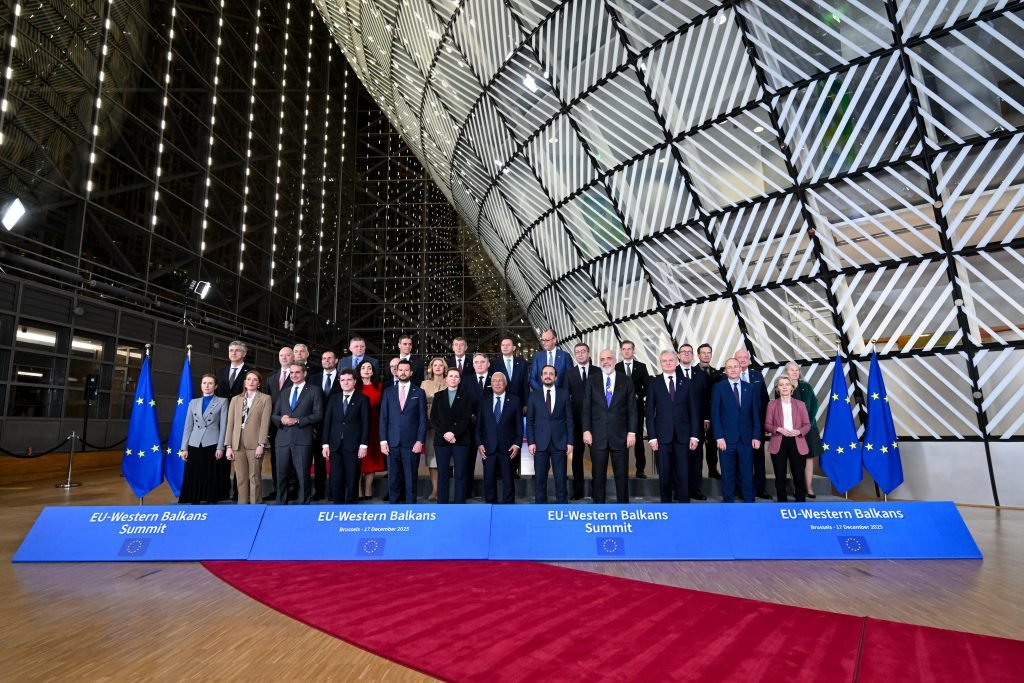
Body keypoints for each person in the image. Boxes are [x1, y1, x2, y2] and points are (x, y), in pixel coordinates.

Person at [582, 349, 637, 504]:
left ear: (615, 360)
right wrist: (586, 430)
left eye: (609, 358)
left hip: (620, 436)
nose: (606, 361)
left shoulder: (625, 380)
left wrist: (632, 432)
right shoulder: (592, 380)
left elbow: (632, 409)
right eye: (602, 359)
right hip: (597, 436)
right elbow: (586, 408)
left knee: (622, 475)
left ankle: (623, 506)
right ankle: (598, 507)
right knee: (598, 475)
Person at [646, 351, 700, 503]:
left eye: (671, 360)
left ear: (677, 361)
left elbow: (694, 412)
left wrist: (694, 435)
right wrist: (652, 437)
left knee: (683, 473)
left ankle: (684, 506)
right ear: (660, 363)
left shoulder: (687, 383)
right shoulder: (654, 384)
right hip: (662, 438)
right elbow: (649, 413)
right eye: (664, 361)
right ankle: (666, 506)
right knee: (664, 474)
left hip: (683, 436)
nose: (668, 363)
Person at [271, 363, 324, 505]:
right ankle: (281, 504)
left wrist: (298, 420)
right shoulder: (284, 392)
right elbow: (274, 415)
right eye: (292, 373)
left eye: (297, 372)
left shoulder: (314, 391)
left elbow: (318, 414)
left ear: (304, 373)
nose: (294, 375)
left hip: (303, 438)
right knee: (281, 474)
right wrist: (281, 419)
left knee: (303, 476)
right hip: (282, 438)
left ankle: (303, 505)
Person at [711, 358, 762, 503]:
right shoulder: (718, 388)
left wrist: (756, 436)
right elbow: (715, 415)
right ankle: (728, 503)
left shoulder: (750, 387)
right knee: (728, 474)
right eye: (729, 367)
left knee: (747, 473)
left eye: (735, 367)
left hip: (747, 439)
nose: (733, 369)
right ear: (725, 371)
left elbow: (755, 414)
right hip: (726, 440)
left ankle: (749, 502)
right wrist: (719, 437)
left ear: (740, 368)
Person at [379, 359, 427, 504]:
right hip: (392, 442)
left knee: (411, 477)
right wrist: (383, 441)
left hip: (412, 443)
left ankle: (411, 506)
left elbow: (422, 419)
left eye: (406, 370)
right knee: (393, 477)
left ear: (411, 372)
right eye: (401, 370)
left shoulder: (419, 392)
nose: (403, 372)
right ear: (396, 371)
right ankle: (393, 505)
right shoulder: (388, 392)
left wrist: (420, 441)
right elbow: (383, 418)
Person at [321, 368, 370, 504]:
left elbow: (366, 424)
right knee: (336, 479)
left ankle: (351, 508)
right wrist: (325, 444)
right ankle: (338, 508)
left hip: (354, 446)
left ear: (355, 381)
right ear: (339, 382)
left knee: (352, 479)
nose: (346, 382)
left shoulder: (362, 399)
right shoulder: (333, 399)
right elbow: (327, 422)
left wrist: (363, 445)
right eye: (342, 380)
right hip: (335, 446)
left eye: (349, 380)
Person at [178, 374, 229, 504]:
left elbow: (223, 426)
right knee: (194, 473)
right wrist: (184, 448)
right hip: (194, 443)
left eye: (210, 383)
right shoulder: (193, 402)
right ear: (201, 385)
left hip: (212, 442)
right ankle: (195, 498)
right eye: (204, 383)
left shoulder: (222, 401)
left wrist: (220, 447)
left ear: (215, 386)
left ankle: (210, 499)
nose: (207, 386)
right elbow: (188, 426)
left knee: (210, 474)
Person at [527, 365, 574, 504]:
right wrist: (531, 442)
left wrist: (570, 442)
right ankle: (541, 506)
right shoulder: (534, 395)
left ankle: (562, 506)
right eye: (545, 373)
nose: (548, 376)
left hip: (559, 442)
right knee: (540, 478)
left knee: (560, 477)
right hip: (540, 443)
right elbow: (530, 421)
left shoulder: (564, 394)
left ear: (556, 377)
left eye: (551, 374)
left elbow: (569, 420)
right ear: (541, 377)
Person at [224, 370, 271, 504]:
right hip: (237, 443)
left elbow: (264, 423)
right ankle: (242, 507)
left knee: (254, 477)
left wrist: (261, 444)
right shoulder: (235, 399)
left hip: (255, 443)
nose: (251, 382)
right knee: (241, 478)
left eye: (254, 379)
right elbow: (230, 423)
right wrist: (228, 446)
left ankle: (255, 506)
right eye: (248, 379)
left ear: (259, 383)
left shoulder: (265, 399)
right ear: (245, 382)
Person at [475, 372, 522, 504]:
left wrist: (517, 444)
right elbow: (479, 426)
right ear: (491, 384)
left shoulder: (514, 400)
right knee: (489, 479)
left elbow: (519, 425)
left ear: (505, 383)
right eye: (494, 380)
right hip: (488, 448)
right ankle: (491, 505)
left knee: (508, 479)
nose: (497, 383)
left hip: (508, 448)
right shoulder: (484, 401)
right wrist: (479, 444)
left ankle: (508, 507)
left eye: (500, 380)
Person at [215, 340, 252, 501]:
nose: (233, 353)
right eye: (231, 350)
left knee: (240, 459)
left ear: (244, 354)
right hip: (222, 419)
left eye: (237, 350)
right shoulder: (220, 371)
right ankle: (221, 491)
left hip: (242, 419)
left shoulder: (250, 372)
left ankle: (239, 494)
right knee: (221, 456)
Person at [430, 367, 473, 503]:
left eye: (456, 376)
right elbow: (434, 418)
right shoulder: (438, 396)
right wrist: (446, 433)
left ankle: (459, 502)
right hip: (442, 440)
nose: (453, 379)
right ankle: (442, 502)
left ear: (459, 380)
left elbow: (466, 419)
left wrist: (454, 433)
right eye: (451, 376)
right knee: (443, 474)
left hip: (460, 440)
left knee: (460, 474)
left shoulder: (466, 396)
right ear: (446, 378)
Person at [765, 376, 811, 503]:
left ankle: (800, 501)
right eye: (781, 385)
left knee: (798, 475)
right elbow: (767, 425)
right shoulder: (772, 404)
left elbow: (807, 424)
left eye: (787, 384)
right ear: (777, 388)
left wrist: (799, 431)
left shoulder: (800, 404)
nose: (784, 387)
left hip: (797, 440)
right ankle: (782, 502)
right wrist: (778, 429)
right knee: (780, 475)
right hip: (779, 441)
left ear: (792, 387)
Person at [735, 348, 771, 499]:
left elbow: (765, 400)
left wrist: (766, 424)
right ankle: (740, 490)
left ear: (749, 359)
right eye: (739, 358)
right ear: (735, 360)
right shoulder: (727, 377)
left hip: (756, 425)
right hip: (736, 426)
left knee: (758, 458)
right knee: (739, 459)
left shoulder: (757, 376)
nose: (743, 360)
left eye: (745, 357)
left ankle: (760, 489)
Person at [783, 362, 822, 498]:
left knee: (809, 457)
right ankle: (796, 487)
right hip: (790, 429)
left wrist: (806, 424)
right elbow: (780, 408)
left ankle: (809, 488)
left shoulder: (806, 386)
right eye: (792, 370)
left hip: (809, 428)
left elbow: (814, 405)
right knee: (793, 458)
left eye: (797, 370)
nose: (795, 372)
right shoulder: (783, 386)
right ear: (786, 372)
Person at [309, 349, 342, 501]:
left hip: (337, 425)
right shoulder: (313, 379)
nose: (326, 360)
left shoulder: (343, 379)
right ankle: (320, 490)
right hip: (317, 425)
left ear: (336, 361)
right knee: (319, 459)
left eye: (330, 358)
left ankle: (335, 492)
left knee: (336, 459)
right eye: (324, 358)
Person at [677, 344, 708, 500]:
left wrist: (706, 418)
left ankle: (695, 489)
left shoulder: (701, 375)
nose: (687, 354)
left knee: (696, 458)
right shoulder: (672, 373)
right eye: (684, 352)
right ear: (678, 355)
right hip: (678, 424)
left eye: (689, 352)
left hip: (697, 423)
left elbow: (705, 398)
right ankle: (679, 490)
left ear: (693, 356)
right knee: (679, 458)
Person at [616, 340, 650, 479]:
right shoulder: (616, 367)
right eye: (624, 349)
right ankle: (622, 469)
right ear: (621, 351)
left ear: (633, 350)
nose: (627, 351)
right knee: (621, 440)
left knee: (638, 440)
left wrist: (638, 395)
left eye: (629, 349)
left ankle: (640, 470)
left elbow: (647, 386)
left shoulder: (641, 367)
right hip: (620, 409)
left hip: (637, 408)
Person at [265, 346, 294, 501]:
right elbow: (268, 402)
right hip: (275, 425)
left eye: (287, 355)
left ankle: (292, 489)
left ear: (293, 357)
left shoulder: (299, 375)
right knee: (276, 459)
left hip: (292, 424)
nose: (284, 357)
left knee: (292, 459)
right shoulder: (271, 377)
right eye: (281, 355)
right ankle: (278, 489)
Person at [420, 357, 449, 501]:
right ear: (431, 368)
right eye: (435, 365)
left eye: (440, 365)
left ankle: (444, 489)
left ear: (445, 368)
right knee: (432, 459)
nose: (438, 367)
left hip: (446, 427)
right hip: (430, 425)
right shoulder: (424, 384)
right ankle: (435, 489)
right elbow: (421, 404)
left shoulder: (450, 381)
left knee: (446, 460)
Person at [566, 342, 593, 500]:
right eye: (578, 352)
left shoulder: (598, 371)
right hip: (576, 421)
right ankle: (578, 491)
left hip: (596, 421)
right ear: (575, 355)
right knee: (577, 458)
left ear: (588, 353)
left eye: (583, 351)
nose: (581, 354)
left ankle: (598, 490)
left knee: (597, 457)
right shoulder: (569, 374)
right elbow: (566, 399)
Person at [356, 359, 385, 500]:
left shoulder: (379, 387)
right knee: (358, 460)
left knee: (372, 459)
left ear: (373, 371)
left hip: (374, 426)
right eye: (363, 368)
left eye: (369, 368)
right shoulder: (355, 387)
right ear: (359, 371)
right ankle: (358, 491)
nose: (366, 370)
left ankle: (368, 490)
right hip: (357, 427)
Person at [696, 343, 722, 480]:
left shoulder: (717, 373)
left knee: (712, 445)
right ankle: (697, 473)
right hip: (697, 415)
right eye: (703, 353)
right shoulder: (692, 373)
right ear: (698, 355)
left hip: (713, 415)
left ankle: (713, 470)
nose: (706, 355)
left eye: (709, 353)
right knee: (697, 446)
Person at [492, 337, 528, 409]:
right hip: (501, 403)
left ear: (514, 348)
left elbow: (525, 384)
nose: (505, 347)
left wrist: (526, 404)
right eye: (503, 345)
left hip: (519, 403)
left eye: (508, 345)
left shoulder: (522, 363)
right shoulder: (494, 363)